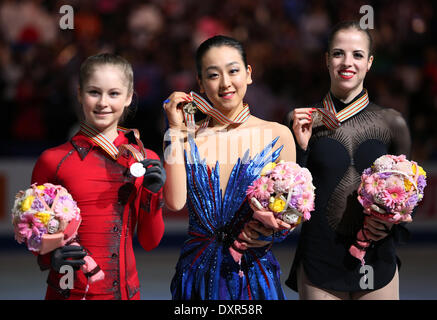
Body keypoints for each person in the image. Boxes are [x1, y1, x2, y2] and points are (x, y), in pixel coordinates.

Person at [163, 35, 296, 299]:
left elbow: (294, 210)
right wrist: (175, 131)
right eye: (213, 75)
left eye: (233, 71)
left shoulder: (277, 135)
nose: (225, 83)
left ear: (248, 74)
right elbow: (175, 202)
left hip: (253, 276)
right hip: (196, 278)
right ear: (200, 83)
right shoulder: (186, 138)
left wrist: (269, 235)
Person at [285, 21, 412, 300]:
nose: (347, 62)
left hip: (377, 258)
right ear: (327, 60)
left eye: (357, 55)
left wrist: (392, 221)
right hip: (320, 259)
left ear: (369, 62)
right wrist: (302, 148)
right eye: (338, 53)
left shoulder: (392, 123)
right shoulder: (302, 121)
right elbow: (288, 204)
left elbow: (409, 193)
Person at [31, 53, 166, 300]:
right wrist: (50, 256)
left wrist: (153, 195)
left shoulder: (145, 160)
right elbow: (35, 235)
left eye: (113, 93)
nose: (103, 102)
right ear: (80, 94)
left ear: (128, 97)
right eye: (94, 92)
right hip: (66, 294)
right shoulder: (51, 160)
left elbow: (150, 241)